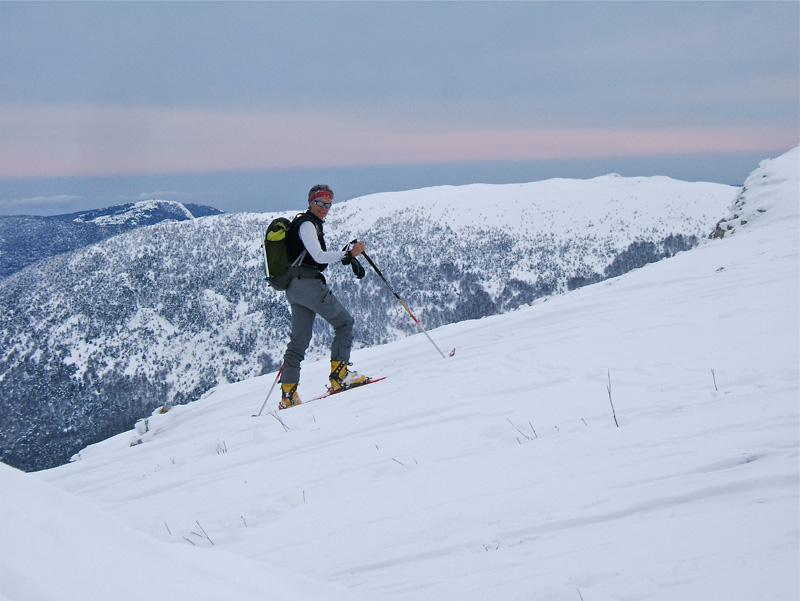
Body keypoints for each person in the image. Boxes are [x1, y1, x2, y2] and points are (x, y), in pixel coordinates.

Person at [278, 184, 370, 409]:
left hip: (294, 287)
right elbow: (317, 255)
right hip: (308, 285)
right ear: (311, 202)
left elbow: (314, 257)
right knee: (344, 323)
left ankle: (288, 395)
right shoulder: (308, 224)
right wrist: (348, 254)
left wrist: (344, 254)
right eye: (320, 202)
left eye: (328, 203)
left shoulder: (305, 223)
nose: (324, 207)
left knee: (299, 342)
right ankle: (340, 377)